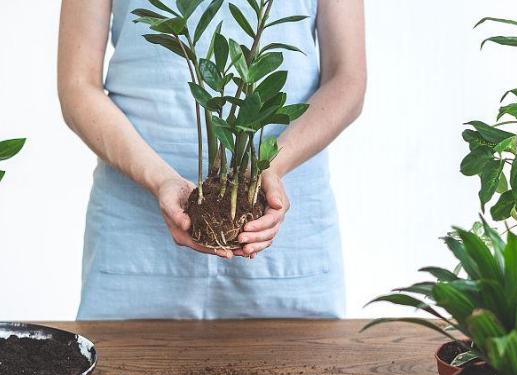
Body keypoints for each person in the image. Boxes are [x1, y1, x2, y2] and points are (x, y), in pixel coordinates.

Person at [57, 0, 366, 320]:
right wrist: (158, 178)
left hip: (288, 234)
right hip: (136, 230)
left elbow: (347, 79)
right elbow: (77, 86)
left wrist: (268, 166)